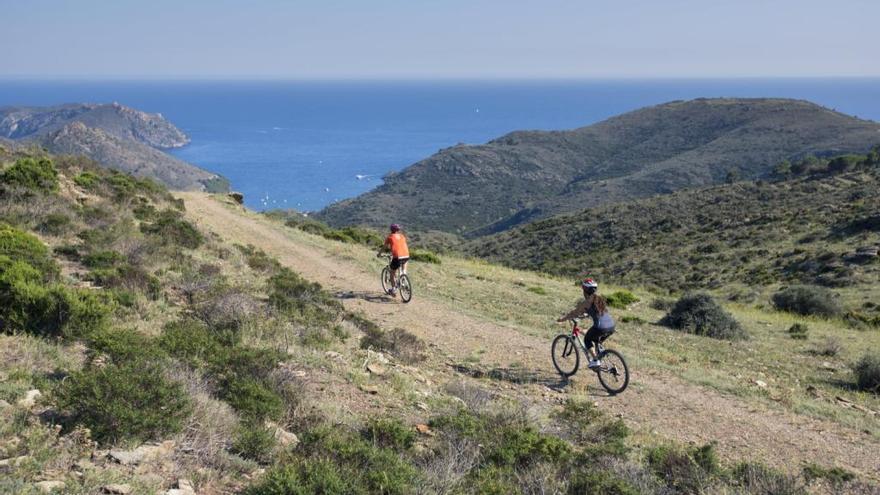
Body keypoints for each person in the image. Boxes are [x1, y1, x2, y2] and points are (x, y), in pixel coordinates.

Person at [557, 278, 615, 368]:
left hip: (600, 327)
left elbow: (575, 313)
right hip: (611, 326)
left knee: (587, 340)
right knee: (595, 339)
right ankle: (601, 356)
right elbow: (596, 312)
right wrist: (586, 314)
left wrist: (563, 319)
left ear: (585, 290)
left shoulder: (587, 302)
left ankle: (596, 360)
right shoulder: (599, 299)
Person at [378, 223, 410, 295]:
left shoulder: (390, 237)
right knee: (403, 269)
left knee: (392, 273)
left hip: (397, 257)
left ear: (391, 230)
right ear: (398, 230)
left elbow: (384, 247)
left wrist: (379, 254)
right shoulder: (402, 236)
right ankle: (404, 279)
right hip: (406, 255)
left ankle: (393, 289)